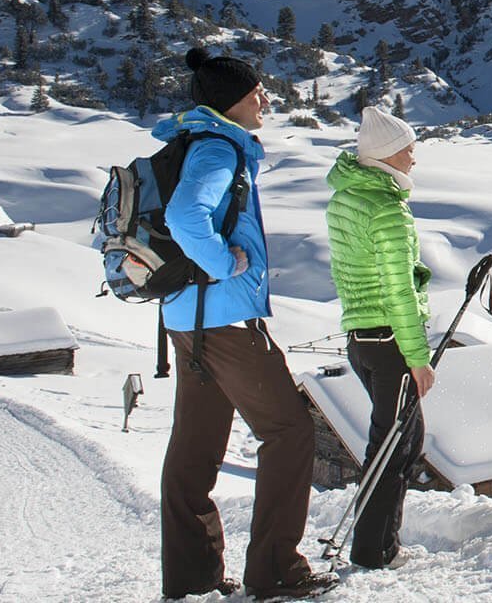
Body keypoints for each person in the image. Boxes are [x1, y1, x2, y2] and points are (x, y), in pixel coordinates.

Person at [159, 47, 335, 601]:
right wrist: (221, 263)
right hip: (227, 320)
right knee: (289, 431)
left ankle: (192, 578)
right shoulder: (218, 150)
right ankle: (276, 570)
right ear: (232, 100)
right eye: (256, 91)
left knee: (195, 448)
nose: (265, 98)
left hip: (187, 318)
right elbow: (185, 215)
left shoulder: (195, 142)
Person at [326, 105, 432, 570]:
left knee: (401, 437)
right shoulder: (388, 209)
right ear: (389, 154)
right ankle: (376, 550)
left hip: (360, 337)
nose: (413, 157)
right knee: (394, 445)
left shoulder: (346, 198)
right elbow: (397, 289)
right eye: (408, 149)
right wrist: (417, 355)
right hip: (391, 341)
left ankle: (382, 542)